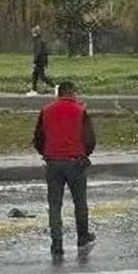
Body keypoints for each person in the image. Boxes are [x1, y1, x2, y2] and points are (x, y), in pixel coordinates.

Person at [33, 80, 97, 255]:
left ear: (58, 94)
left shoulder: (46, 110)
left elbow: (38, 137)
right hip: (75, 161)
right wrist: (85, 154)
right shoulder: (80, 111)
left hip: (53, 162)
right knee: (80, 202)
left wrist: (46, 152)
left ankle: (57, 243)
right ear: (73, 93)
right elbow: (90, 138)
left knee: (54, 204)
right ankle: (82, 237)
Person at [27, 26, 54, 96]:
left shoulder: (38, 42)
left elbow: (38, 53)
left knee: (42, 77)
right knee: (35, 76)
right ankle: (34, 90)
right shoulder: (40, 41)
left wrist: (35, 61)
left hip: (39, 62)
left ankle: (55, 86)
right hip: (41, 61)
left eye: (33, 32)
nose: (32, 34)